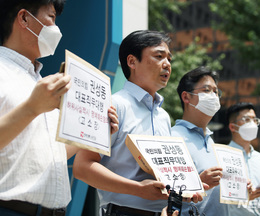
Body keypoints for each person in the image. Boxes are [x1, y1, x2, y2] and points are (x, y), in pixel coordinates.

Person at [0, 1, 119, 215]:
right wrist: (31, 108)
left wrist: (95, 133)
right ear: (24, 18)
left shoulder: (37, 80)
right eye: (52, 17)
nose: (57, 29)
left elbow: (53, 155)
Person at [73, 30, 203, 216]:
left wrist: (189, 188)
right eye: (159, 56)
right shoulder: (114, 105)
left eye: (169, 59)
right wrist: (137, 189)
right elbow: (82, 167)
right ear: (132, 61)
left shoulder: (163, 116)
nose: (167, 64)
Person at [171, 66, 230, 216]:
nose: (214, 96)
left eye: (216, 92)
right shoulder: (172, 137)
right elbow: (164, 190)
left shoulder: (212, 142)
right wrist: (198, 182)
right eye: (206, 90)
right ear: (186, 97)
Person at [226, 102, 260, 215]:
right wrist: (243, 197)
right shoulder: (222, 156)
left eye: (254, 120)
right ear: (232, 127)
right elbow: (218, 199)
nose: (252, 123)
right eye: (246, 119)